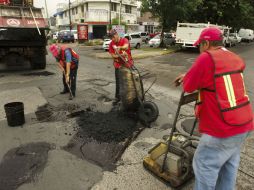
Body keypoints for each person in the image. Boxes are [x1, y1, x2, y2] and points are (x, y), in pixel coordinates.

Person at [174, 27, 253, 190]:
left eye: (200, 45)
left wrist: (187, 77)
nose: (198, 48)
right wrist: (188, 74)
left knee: (204, 165)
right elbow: (216, 76)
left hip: (222, 127)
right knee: (228, 164)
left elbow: (189, 86)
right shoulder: (232, 57)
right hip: (244, 124)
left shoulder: (207, 57)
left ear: (206, 43)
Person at [108, 29, 134, 106]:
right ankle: (117, 98)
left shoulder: (124, 40)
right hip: (118, 65)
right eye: (111, 38)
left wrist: (120, 48)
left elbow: (126, 47)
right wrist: (121, 55)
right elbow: (113, 55)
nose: (112, 39)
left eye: (113, 37)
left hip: (127, 64)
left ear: (116, 35)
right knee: (118, 82)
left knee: (129, 82)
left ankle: (131, 98)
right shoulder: (111, 44)